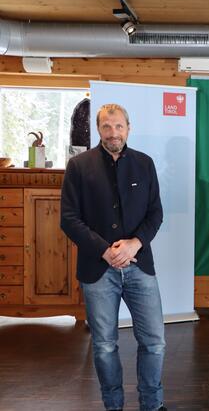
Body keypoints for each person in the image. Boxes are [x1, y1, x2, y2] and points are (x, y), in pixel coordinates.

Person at [60, 103, 167, 411]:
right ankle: (113, 406)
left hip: (139, 266)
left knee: (154, 342)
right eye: (107, 127)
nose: (113, 133)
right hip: (97, 269)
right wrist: (105, 251)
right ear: (99, 130)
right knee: (105, 346)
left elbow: (155, 213)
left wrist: (135, 243)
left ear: (128, 128)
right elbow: (69, 218)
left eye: (119, 126)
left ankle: (152, 404)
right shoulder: (79, 166)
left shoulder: (144, 164)